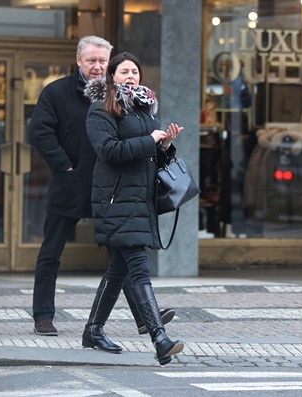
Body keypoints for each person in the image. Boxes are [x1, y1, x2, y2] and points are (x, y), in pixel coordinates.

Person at [27, 36, 174, 337]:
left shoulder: (122, 97)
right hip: (72, 182)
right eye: (91, 60)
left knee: (122, 251)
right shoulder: (56, 92)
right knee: (51, 251)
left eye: (102, 61)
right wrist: (64, 164)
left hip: (111, 188)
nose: (96, 66)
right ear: (79, 61)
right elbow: (39, 131)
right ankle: (43, 315)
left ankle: (143, 318)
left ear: (109, 65)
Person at [83, 51, 184, 365]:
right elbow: (109, 151)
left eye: (135, 72)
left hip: (140, 201)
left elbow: (149, 156)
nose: (131, 76)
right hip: (115, 201)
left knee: (119, 271)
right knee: (138, 268)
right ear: (112, 75)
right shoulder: (101, 108)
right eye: (124, 71)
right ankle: (159, 338)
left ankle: (93, 330)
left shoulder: (145, 108)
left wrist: (164, 145)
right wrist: (149, 140)